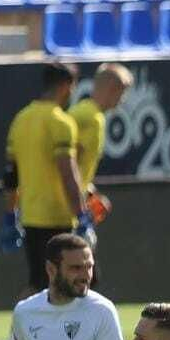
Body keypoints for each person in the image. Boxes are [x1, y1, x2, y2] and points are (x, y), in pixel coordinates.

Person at [4, 61, 95, 294]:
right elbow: (68, 173)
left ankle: (21, 319)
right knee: (75, 282)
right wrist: (82, 215)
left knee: (39, 282)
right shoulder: (61, 123)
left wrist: (9, 215)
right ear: (65, 86)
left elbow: (11, 175)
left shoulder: (21, 119)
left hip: (31, 217)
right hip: (57, 218)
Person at [69, 63, 133, 229]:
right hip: (64, 212)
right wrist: (80, 211)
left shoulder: (85, 111)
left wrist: (89, 193)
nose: (123, 99)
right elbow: (67, 164)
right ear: (112, 89)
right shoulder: (91, 119)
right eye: (122, 92)